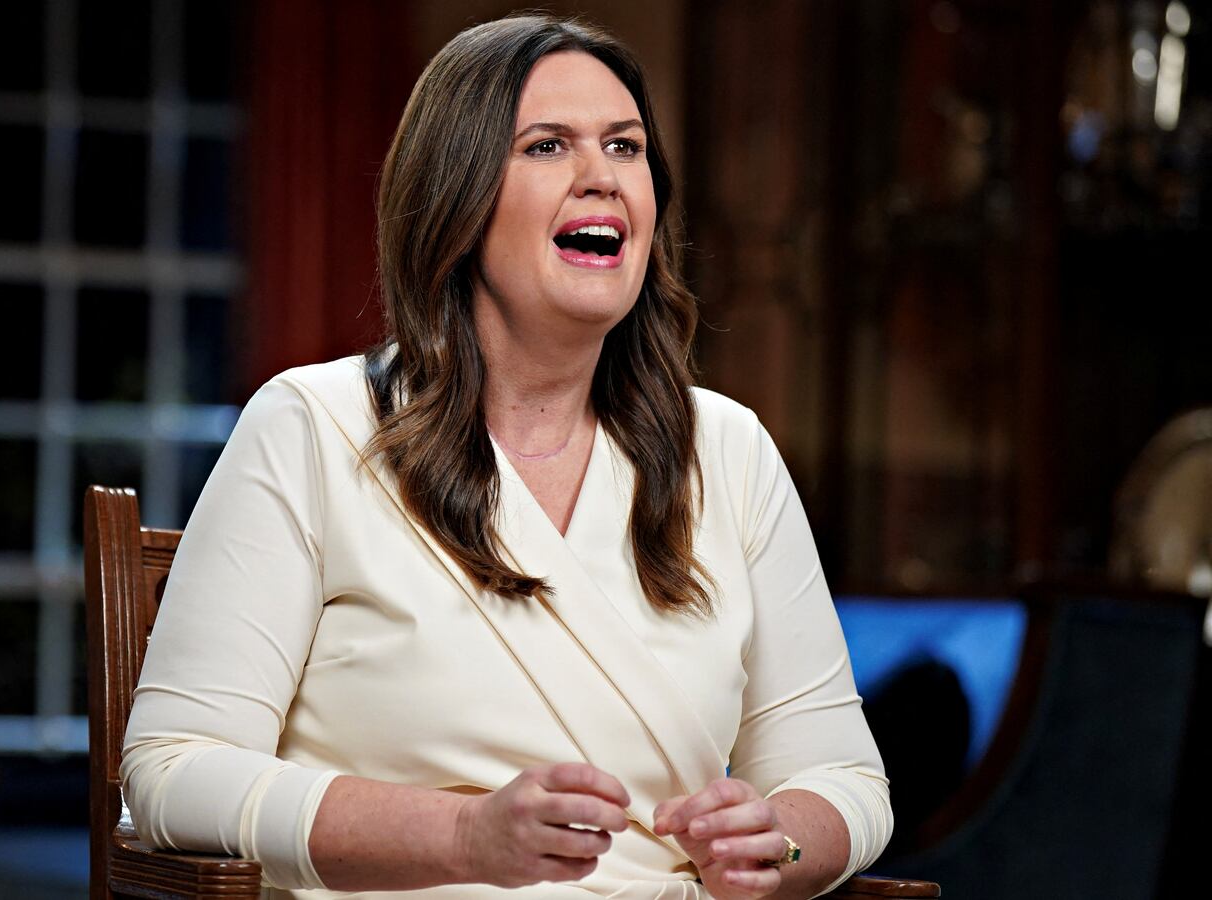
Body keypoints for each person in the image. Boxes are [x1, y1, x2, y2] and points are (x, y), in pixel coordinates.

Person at [120, 14, 891, 899]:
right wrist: (461, 837)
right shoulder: (312, 426)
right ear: (456, 196)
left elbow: (845, 782)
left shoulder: (730, 451)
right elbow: (173, 773)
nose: (602, 177)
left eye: (627, 146)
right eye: (548, 146)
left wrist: (777, 843)